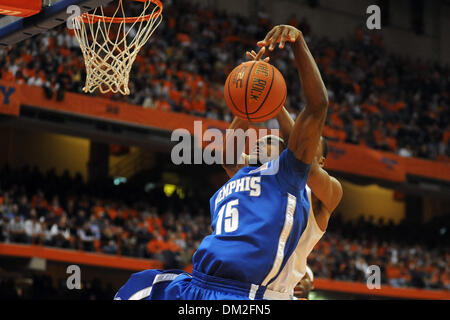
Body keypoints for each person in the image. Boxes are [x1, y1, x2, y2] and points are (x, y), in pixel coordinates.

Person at [115, 25, 341, 300]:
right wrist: (259, 93)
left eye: (271, 143)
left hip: (265, 290)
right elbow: (230, 152)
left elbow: (311, 121)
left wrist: (273, 97)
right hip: (209, 281)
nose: (261, 142)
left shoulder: (309, 185)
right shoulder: (245, 171)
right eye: (260, 141)